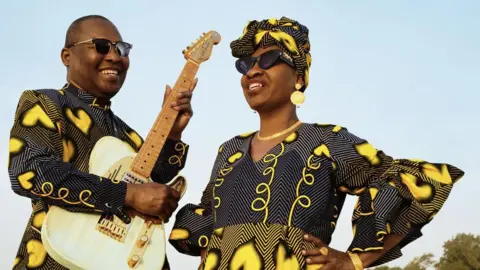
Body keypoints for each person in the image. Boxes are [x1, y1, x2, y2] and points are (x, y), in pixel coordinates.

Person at [168, 17, 464, 270]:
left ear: (298, 76)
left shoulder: (326, 141)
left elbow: (413, 181)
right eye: (246, 64)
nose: (253, 71)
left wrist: (354, 260)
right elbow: (204, 223)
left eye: (269, 60)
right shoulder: (229, 150)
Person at [8, 15, 196, 270]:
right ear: (67, 56)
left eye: (121, 49)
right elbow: (30, 171)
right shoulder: (47, 102)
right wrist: (127, 194)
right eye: (100, 46)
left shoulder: (128, 135)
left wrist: (171, 134)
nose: (114, 56)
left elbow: (154, 181)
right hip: (57, 259)